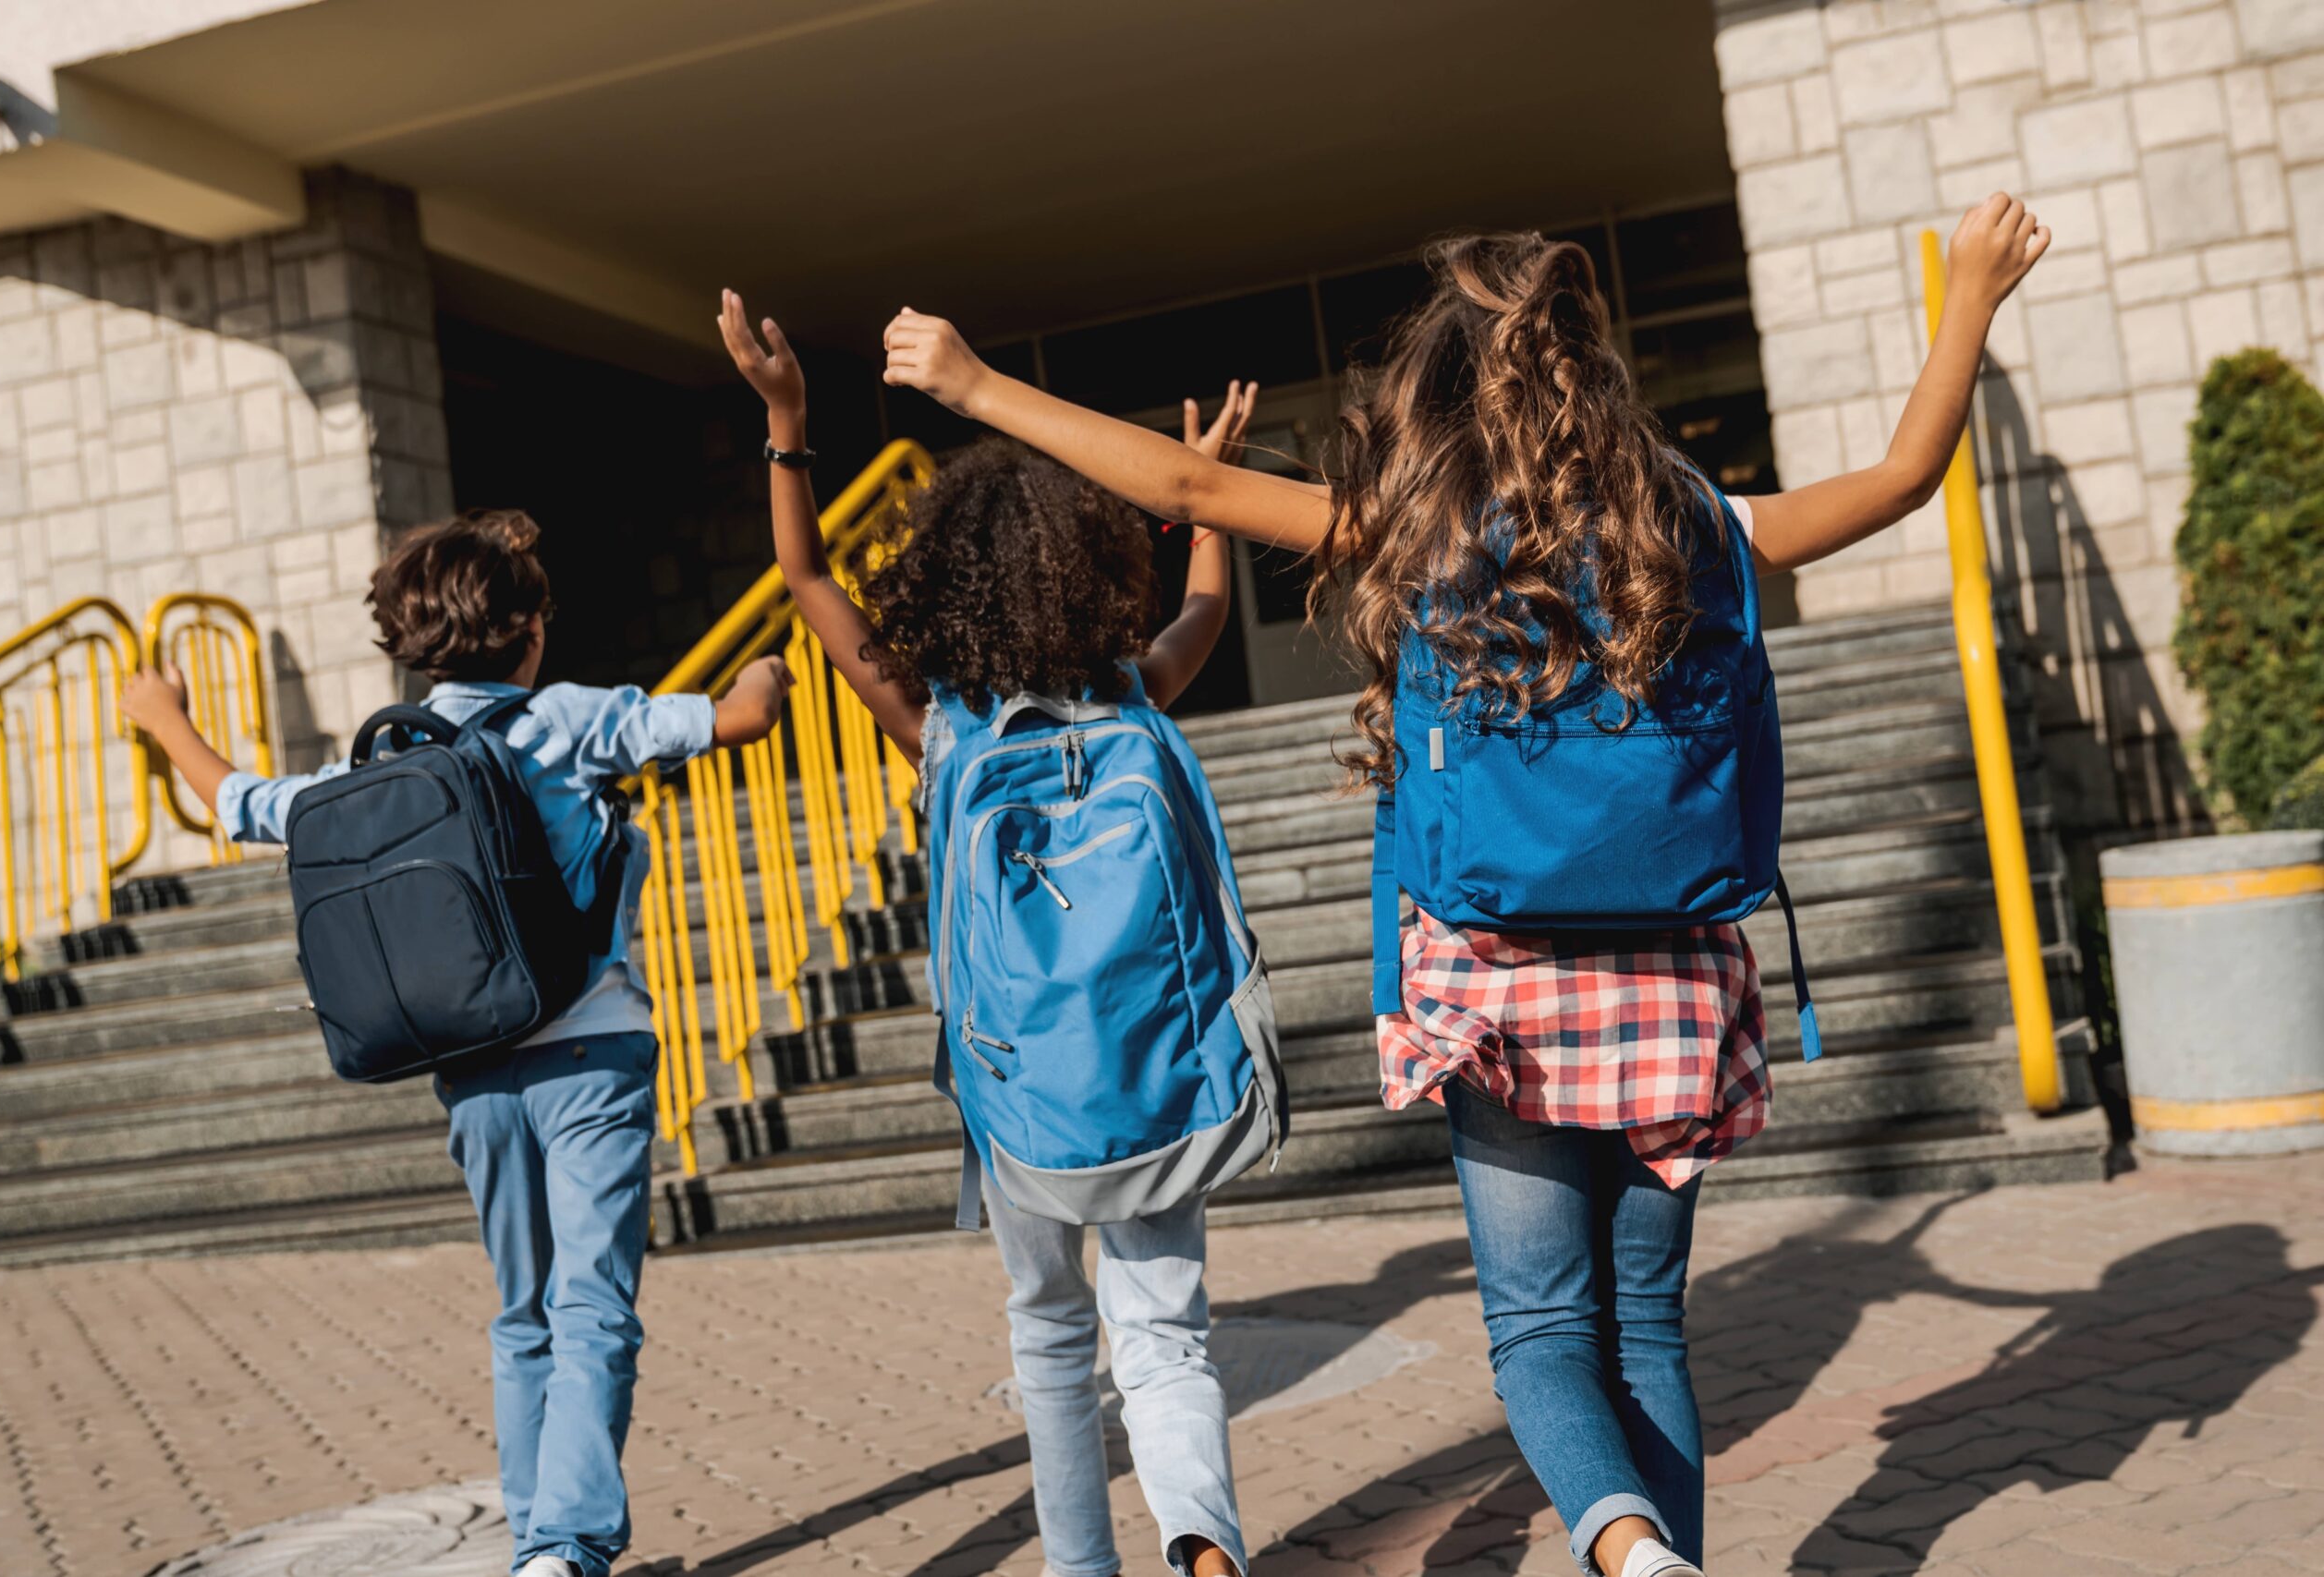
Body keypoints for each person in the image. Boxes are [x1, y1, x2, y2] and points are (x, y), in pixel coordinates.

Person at [877, 194, 2051, 1577]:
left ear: (1440, 387)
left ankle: (1631, 1553)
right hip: (1677, 974)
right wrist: (1970, 290)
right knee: (1648, 1326)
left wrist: (974, 381)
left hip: (1495, 985)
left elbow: (1187, 490)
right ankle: (1662, 1549)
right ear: (1591, 372)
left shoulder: (1419, 533)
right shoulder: (1699, 527)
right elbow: (1908, 476)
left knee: (1546, 1330)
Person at [120, 510, 794, 1577]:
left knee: (523, 1311)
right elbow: (737, 721)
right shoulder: (569, 720)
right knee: (592, 1311)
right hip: (591, 1060)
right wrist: (769, 663)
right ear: (528, 628)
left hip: (471, 1072)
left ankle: (541, 1544)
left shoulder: (377, 777)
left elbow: (245, 805)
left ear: (410, 644)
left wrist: (165, 720)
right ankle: (562, 1548)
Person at [715, 287, 1259, 1577]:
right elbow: (1208, 617)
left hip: (1015, 1084)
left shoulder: (941, 727)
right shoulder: (1134, 693)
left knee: (1050, 1328)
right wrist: (1202, 502)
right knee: (1167, 1335)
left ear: (946, 576)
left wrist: (788, 417)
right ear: (1088, 566)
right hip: (1148, 1069)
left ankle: (1081, 1563)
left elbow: (803, 577)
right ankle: (1203, 1542)